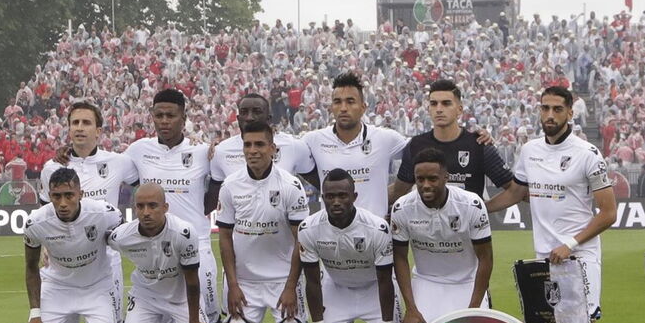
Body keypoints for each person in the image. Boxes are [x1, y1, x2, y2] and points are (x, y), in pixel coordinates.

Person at [487, 85, 617, 323]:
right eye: (544, 108)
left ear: (570, 113)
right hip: (543, 260)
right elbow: (516, 192)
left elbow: (609, 212)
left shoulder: (588, 155)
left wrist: (571, 244)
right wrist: (482, 208)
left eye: (557, 109)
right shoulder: (529, 150)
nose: (549, 115)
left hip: (578, 257)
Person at [124, 89, 222, 323]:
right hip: (155, 247)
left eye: (171, 115)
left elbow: (214, 193)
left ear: (184, 117)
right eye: (159, 115)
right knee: (159, 321)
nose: (164, 121)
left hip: (197, 243)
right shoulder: (138, 150)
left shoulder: (203, 152)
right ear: (152, 116)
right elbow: (112, 170)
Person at [43, 102, 138, 315]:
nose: (79, 127)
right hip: (64, 264)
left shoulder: (119, 162)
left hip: (106, 260)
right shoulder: (52, 168)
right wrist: (44, 246)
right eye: (74, 123)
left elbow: (144, 186)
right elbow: (45, 211)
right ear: (68, 129)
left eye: (86, 123)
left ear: (98, 131)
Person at [216, 121, 310, 323]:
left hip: (283, 279)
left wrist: (290, 287)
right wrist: (232, 284)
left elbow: (301, 241)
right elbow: (224, 238)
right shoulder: (230, 186)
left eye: (259, 144)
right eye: (247, 145)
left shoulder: (291, 186)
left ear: (272, 149)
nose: (253, 151)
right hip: (244, 281)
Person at [391, 148, 493, 323]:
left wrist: (474, 309)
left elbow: (486, 259)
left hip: (466, 282)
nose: (426, 185)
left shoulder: (471, 205)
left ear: (446, 177)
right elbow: (399, 258)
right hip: (425, 281)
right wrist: (411, 309)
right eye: (420, 179)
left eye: (432, 178)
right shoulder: (402, 208)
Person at [22, 167, 124, 323]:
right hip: (57, 287)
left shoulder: (102, 212)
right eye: (56, 196)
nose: (63, 203)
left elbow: (125, 232)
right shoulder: (36, 223)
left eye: (69, 195)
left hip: (97, 287)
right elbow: (31, 267)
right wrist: (35, 315)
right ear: (49, 196)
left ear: (80, 194)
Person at [297, 169, 397, 323]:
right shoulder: (308, 228)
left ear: (354, 197)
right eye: (330, 196)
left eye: (343, 196)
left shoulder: (377, 228)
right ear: (323, 198)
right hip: (336, 289)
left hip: (375, 290)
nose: (336, 202)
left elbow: (386, 280)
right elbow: (312, 281)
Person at [302, 72, 408, 219]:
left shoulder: (386, 138)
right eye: (338, 102)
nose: (343, 108)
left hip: (375, 236)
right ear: (331, 107)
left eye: (350, 101)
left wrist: (396, 191)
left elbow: (419, 154)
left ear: (363, 107)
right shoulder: (312, 140)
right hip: (331, 237)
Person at [107, 183, 209, 323]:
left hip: (181, 299)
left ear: (165, 207)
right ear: (135, 209)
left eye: (152, 206)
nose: (146, 212)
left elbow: (192, 281)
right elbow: (101, 239)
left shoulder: (183, 233)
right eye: (140, 206)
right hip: (146, 298)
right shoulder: (122, 237)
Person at [392, 79, 512, 204]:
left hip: (466, 223)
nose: (439, 109)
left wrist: (482, 210)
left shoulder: (479, 145)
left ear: (459, 110)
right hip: (427, 222)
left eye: (446, 103)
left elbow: (514, 190)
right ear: (429, 109)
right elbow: (398, 191)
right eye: (434, 104)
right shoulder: (416, 145)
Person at [210, 93, 318, 185]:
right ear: (238, 119)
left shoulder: (292, 145)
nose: (249, 117)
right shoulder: (220, 151)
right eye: (244, 112)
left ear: (269, 118)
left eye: (257, 112)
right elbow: (214, 200)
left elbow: (322, 184)